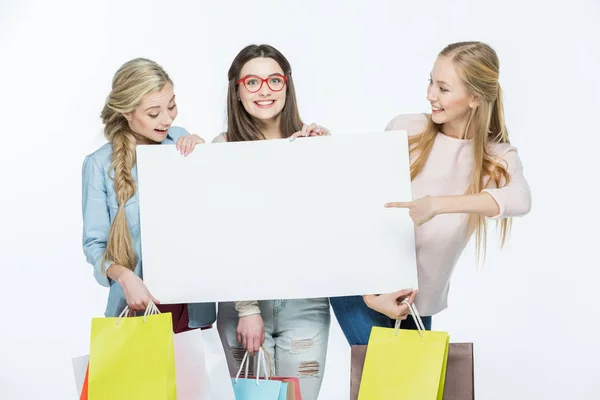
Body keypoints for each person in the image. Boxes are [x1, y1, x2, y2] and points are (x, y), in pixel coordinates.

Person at [330, 41, 532, 345]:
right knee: (389, 389)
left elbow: (520, 200)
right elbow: (361, 211)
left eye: (443, 88)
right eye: (430, 82)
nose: (430, 95)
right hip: (364, 289)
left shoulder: (496, 158)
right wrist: (370, 296)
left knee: (409, 389)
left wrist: (436, 205)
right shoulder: (405, 129)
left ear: (475, 98)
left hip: (417, 302)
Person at [212, 44, 330, 400]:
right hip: (242, 304)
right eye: (253, 81)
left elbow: (330, 225)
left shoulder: (313, 143)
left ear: (287, 85)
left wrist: (329, 158)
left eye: (274, 80)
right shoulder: (222, 148)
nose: (264, 90)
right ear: (237, 89)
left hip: (305, 302)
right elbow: (224, 233)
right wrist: (248, 308)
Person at [82, 58, 216, 332]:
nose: (167, 119)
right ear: (127, 113)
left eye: (172, 106)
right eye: (154, 113)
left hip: (190, 307)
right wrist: (124, 277)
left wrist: (205, 161)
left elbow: (210, 214)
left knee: (191, 376)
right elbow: (95, 245)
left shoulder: (181, 141)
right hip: (135, 305)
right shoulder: (99, 165)